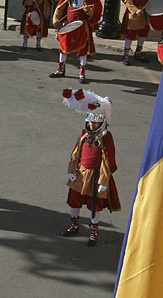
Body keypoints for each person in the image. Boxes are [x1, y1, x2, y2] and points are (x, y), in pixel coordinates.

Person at [61, 89, 120, 246]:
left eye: (95, 122)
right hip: (81, 174)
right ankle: (74, 225)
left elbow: (108, 160)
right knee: (74, 201)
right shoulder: (84, 134)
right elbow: (76, 152)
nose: (91, 124)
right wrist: (72, 170)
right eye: (89, 121)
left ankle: (94, 231)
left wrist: (102, 181)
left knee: (96, 206)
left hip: (96, 176)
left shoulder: (106, 137)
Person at [49, 0, 103, 83]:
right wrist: (56, 19)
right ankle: (61, 70)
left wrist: (88, 11)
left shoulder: (87, 1)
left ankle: (82, 73)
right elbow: (60, 9)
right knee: (63, 48)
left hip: (81, 27)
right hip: (68, 25)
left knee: (82, 50)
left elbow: (94, 13)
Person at [120, 0, 150, 65]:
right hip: (134, 13)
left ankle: (138, 53)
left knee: (144, 33)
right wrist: (135, 10)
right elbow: (127, 1)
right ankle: (126, 55)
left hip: (146, 12)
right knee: (132, 34)